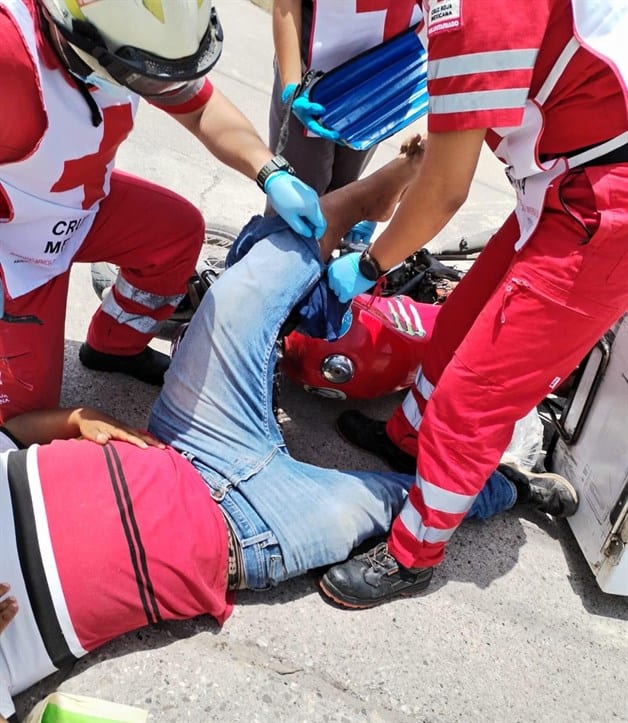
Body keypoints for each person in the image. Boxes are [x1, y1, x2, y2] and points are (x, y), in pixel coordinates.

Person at [0, 146, 576, 720]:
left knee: (235, 295)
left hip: (186, 439)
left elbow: (12, 429)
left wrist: (77, 420)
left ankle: (371, 199)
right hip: (247, 531)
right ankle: (513, 488)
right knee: (403, 501)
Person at [317, 0, 628, 608]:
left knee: (476, 396)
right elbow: (452, 139)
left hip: (600, 214)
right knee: (455, 329)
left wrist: (369, 265)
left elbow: (445, 192)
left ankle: (414, 553)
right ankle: (407, 439)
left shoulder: (484, 7)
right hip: (564, 184)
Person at [0, 0, 326, 424]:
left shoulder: (122, 37)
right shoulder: (12, 57)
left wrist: (271, 172)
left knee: (177, 234)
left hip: (76, 207)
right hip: (15, 248)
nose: (155, 90)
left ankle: (115, 345)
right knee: (24, 418)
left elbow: (201, 107)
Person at [267, 0, 422, 244]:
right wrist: (291, 87)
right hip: (312, 73)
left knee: (341, 196)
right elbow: (286, 5)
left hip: (381, 76)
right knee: (294, 207)